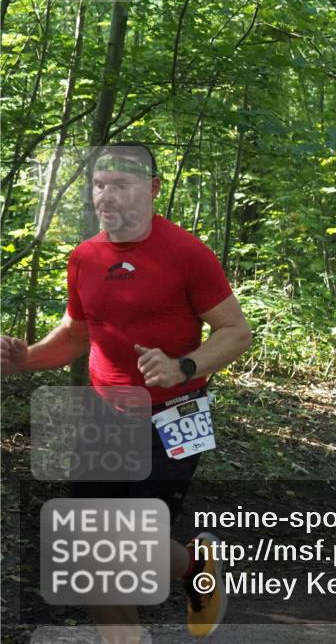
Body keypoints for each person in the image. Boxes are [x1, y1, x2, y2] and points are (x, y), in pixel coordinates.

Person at [0, 143, 252, 642]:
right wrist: (22, 359)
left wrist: (184, 367)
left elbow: (235, 332)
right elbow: (74, 335)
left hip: (178, 412)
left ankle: (194, 564)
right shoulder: (85, 258)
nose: (106, 194)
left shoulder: (186, 253)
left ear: (153, 190)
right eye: (99, 184)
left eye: (121, 184)